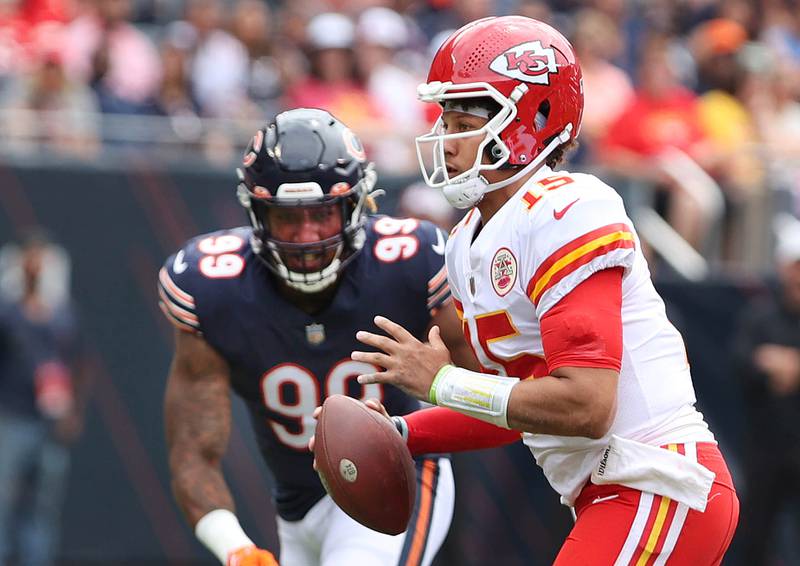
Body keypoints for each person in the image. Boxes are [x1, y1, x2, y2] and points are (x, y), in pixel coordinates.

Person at [346, 16, 739, 564]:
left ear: (531, 119)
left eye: (463, 119)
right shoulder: (467, 242)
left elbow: (587, 405)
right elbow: (514, 407)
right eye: (444, 118)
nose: (445, 140)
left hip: (657, 481)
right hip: (612, 491)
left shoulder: (567, 208)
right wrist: (399, 430)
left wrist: (442, 382)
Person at [159, 108, 471, 566]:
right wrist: (236, 550)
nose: (307, 236)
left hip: (395, 473)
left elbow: (490, 385)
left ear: (355, 204)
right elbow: (192, 453)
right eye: (288, 218)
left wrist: (438, 387)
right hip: (295, 504)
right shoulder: (210, 287)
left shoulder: (412, 262)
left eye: (323, 213)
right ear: (257, 213)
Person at [0, 231, 87, 566]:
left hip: (50, 422)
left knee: (43, 504)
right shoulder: (7, 314)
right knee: (4, 500)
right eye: (30, 260)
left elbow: (78, 365)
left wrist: (73, 413)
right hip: (12, 418)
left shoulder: (63, 316)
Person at [732, 216, 800, 565]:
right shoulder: (760, 317)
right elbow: (742, 364)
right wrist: (766, 368)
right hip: (766, 449)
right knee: (756, 536)